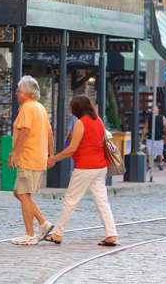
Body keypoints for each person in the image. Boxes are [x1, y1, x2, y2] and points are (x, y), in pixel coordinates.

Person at [46, 95, 118, 247]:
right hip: (100, 166)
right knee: (102, 201)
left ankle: (58, 234)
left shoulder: (80, 123)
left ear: (77, 109)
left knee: (70, 200)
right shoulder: (98, 120)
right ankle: (111, 234)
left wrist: (55, 158)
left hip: (86, 166)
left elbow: (72, 148)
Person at [7, 76, 54, 246]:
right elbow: (49, 133)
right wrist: (50, 154)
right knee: (18, 192)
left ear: (26, 93)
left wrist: (13, 154)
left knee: (24, 194)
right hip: (38, 157)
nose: (16, 93)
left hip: (27, 157)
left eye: (18, 91)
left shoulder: (27, 108)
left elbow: (24, 132)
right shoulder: (41, 108)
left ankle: (30, 235)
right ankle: (43, 223)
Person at [139, 106, 166, 170]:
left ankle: (160, 164)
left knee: (159, 153)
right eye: (152, 109)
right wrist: (141, 138)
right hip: (150, 137)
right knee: (149, 152)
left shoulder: (162, 118)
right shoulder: (148, 118)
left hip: (159, 138)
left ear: (158, 109)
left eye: (155, 108)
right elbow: (145, 128)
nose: (153, 110)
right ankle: (150, 165)